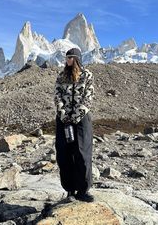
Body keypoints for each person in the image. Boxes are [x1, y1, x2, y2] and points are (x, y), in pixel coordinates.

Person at [54, 47, 95, 203]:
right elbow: (57, 96)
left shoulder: (87, 76)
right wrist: (64, 115)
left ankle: (83, 190)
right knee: (64, 154)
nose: (67, 60)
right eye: (66, 58)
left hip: (81, 120)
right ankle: (69, 190)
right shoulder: (61, 76)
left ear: (77, 59)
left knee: (82, 154)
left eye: (70, 57)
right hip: (63, 119)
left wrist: (76, 116)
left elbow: (88, 98)